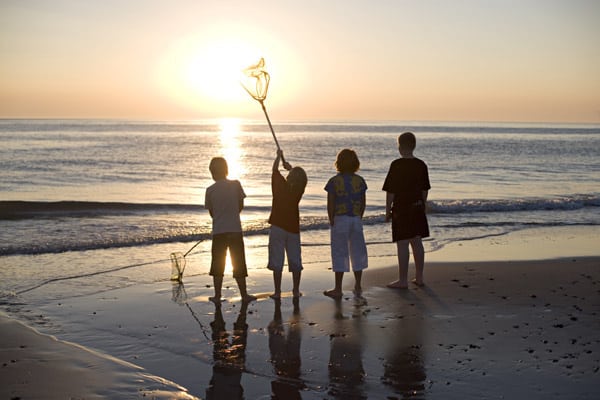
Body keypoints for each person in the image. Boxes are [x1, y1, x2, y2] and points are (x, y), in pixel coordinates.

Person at [382, 132, 431, 289]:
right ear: (414, 146)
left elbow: (391, 191)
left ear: (400, 147)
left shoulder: (396, 165)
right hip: (417, 207)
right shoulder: (421, 165)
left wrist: (387, 210)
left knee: (402, 244)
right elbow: (425, 189)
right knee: (417, 242)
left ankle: (403, 280)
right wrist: (422, 204)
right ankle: (420, 277)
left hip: (401, 208)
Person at [205, 157, 256, 303]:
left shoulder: (210, 190)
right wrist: (231, 215)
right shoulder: (236, 185)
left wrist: (221, 218)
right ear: (226, 169)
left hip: (219, 231)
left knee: (218, 264)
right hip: (235, 229)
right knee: (239, 262)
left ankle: (217, 295)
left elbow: (212, 213)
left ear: (212, 172)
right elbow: (240, 206)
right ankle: (244, 295)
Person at [323, 149, 368, 299]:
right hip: (355, 219)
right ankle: (358, 284)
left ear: (338, 163)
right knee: (357, 251)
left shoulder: (334, 181)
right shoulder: (360, 181)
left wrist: (331, 219)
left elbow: (331, 203)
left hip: (340, 219)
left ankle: (338, 288)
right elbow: (363, 203)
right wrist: (359, 216)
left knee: (339, 252)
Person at [267, 149, 308, 299]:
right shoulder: (298, 191)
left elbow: (274, 170)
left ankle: (277, 292)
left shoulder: (280, 187)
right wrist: (291, 169)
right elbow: (298, 180)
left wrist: (278, 157)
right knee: (295, 259)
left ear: (289, 177)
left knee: (277, 260)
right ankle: (295, 290)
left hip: (277, 226)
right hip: (292, 229)